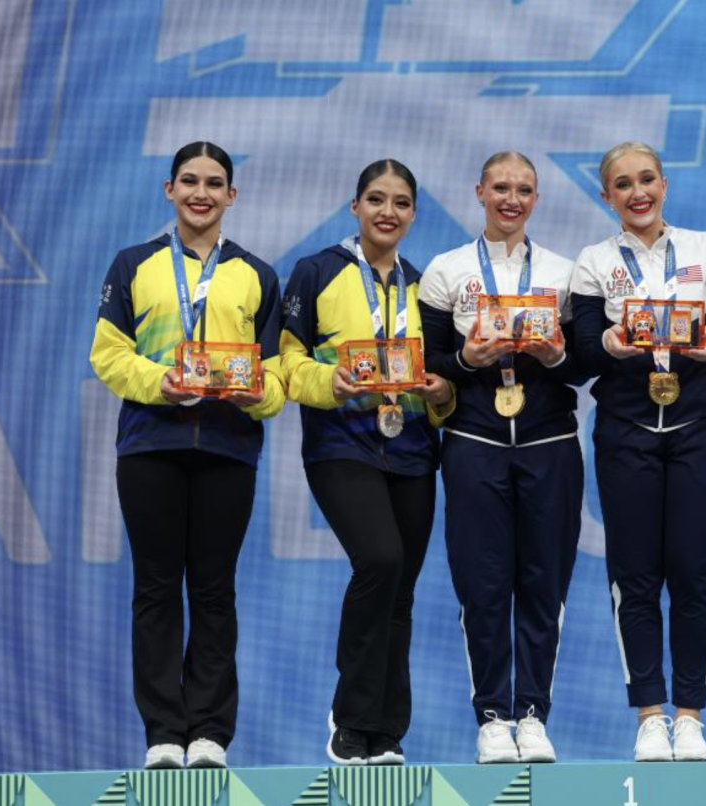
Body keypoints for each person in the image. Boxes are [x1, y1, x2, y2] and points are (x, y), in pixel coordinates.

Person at [90, 141, 286, 769]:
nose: (201, 193)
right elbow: (108, 356)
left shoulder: (257, 274)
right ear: (169, 190)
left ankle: (208, 733)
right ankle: (162, 735)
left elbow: (278, 376)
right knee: (154, 588)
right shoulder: (134, 264)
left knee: (214, 591)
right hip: (151, 444)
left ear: (233, 196)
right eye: (190, 181)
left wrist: (258, 393)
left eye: (215, 183)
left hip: (229, 450)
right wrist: (159, 385)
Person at [569, 142, 706, 762]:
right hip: (627, 430)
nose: (637, 192)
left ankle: (690, 714)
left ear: (664, 185)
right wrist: (611, 346)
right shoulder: (594, 261)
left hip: (699, 426)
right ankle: (649, 713)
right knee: (634, 576)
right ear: (607, 196)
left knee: (695, 575)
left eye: (647, 180)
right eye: (623, 184)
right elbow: (579, 350)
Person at [279, 159, 455, 766]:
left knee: (401, 589)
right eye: (376, 199)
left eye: (401, 202)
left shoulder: (425, 283)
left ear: (412, 214)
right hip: (341, 443)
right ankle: (351, 716)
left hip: (411, 448)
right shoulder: (316, 271)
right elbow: (287, 366)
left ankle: (386, 730)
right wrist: (335, 382)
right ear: (354, 206)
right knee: (379, 559)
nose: (388, 211)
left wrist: (440, 395)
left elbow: (445, 377)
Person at [418, 151, 588, 764]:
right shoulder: (446, 270)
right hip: (473, 440)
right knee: (483, 585)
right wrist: (468, 360)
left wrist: (553, 357)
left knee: (545, 583)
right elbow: (430, 361)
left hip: (549, 442)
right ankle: (492, 715)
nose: (511, 199)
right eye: (500, 188)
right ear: (479, 192)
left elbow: (586, 366)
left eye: (523, 190)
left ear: (536, 199)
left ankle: (534, 714)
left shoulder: (564, 274)